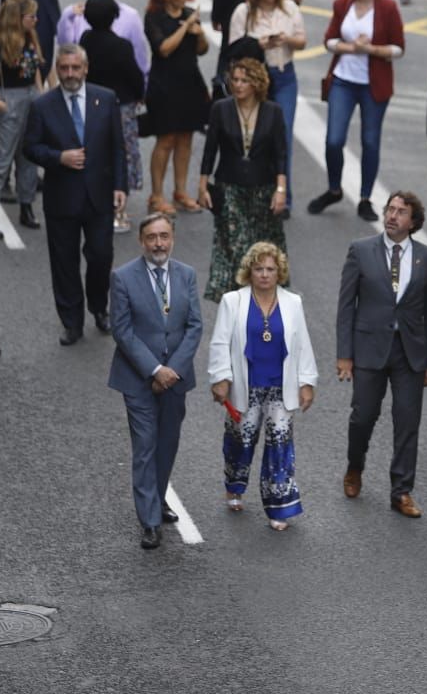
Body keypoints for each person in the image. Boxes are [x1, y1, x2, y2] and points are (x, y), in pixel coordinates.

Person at [336, 190, 427, 518]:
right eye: (390, 209)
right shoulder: (361, 250)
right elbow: (346, 306)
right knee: (363, 415)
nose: (393, 215)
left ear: (413, 222)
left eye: (401, 211)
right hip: (369, 348)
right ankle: (355, 466)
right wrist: (345, 355)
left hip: (409, 352)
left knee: (408, 421)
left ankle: (402, 491)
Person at [107, 211, 203, 549]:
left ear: (172, 238)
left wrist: (172, 370)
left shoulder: (187, 275)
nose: (158, 243)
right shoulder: (123, 278)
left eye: (164, 236)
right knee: (145, 446)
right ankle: (149, 521)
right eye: (151, 237)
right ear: (141, 241)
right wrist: (154, 370)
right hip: (138, 379)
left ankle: (158, 498)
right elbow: (122, 330)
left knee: (168, 442)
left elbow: (194, 326)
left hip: (176, 378)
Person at [23, 43, 128, 345]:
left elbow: (117, 147)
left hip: (99, 196)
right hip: (62, 197)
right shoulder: (43, 105)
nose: (70, 74)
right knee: (64, 261)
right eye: (64, 68)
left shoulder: (105, 99)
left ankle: (99, 306)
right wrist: (59, 157)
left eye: (75, 68)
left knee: (100, 256)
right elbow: (30, 147)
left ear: (86, 68)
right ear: (57, 68)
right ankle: (71, 321)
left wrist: (120, 186)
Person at [207, 240, 314, 530]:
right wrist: (221, 378)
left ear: (279, 273)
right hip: (247, 385)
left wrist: (307, 382)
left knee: (280, 444)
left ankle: (279, 507)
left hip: (281, 386)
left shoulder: (293, 303)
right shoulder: (233, 301)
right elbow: (220, 342)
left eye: (270, 269)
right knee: (241, 440)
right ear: (249, 272)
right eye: (259, 269)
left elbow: (302, 344)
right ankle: (235, 484)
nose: (265, 274)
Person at [309, 0, 405, 222]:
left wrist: (371, 50)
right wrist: (351, 48)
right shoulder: (343, 4)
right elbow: (329, 40)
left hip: (373, 85)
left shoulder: (387, 8)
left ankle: (365, 198)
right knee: (333, 140)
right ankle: (334, 188)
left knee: (370, 141)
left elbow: (398, 48)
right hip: (343, 79)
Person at [197, 57, 287, 301]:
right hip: (229, 187)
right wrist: (203, 184)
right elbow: (210, 149)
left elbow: (280, 153)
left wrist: (281, 189)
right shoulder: (221, 109)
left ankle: (262, 295)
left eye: (244, 80)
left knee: (262, 244)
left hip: (263, 188)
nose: (238, 85)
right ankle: (237, 296)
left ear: (256, 83)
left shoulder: (273, 112)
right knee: (236, 243)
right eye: (235, 80)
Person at [226, 0, 305, 208]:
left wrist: (285, 39)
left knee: (283, 136)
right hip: (254, 79)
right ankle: (252, 192)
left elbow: (302, 41)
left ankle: (283, 196)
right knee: (252, 137)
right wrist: (260, 44)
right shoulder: (243, 11)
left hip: (284, 76)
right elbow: (234, 48)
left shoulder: (289, 7)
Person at [142, 0, 209, 216]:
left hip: (190, 84)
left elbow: (202, 50)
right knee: (165, 139)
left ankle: (180, 191)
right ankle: (156, 195)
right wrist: (186, 28)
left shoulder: (190, 15)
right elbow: (164, 49)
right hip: (163, 86)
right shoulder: (154, 17)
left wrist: (199, 33)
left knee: (185, 138)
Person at [78, 0, 145, 233]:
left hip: (91, 104)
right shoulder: (121, 46)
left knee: (95, 151)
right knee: (123, 153)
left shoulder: (85, 40)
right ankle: (119, 210)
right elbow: (135, 77)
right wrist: (140, 94)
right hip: (120, 105)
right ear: (114, 16)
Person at [0, 0, 45, 233]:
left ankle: (26, 204)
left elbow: (36, 67)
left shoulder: (30, 38)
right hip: (11, 98)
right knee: (2, 159)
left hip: (31, 97)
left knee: (28, 156)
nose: (36, 20)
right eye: (31, 16)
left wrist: (40, 92)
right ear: (18, 18)